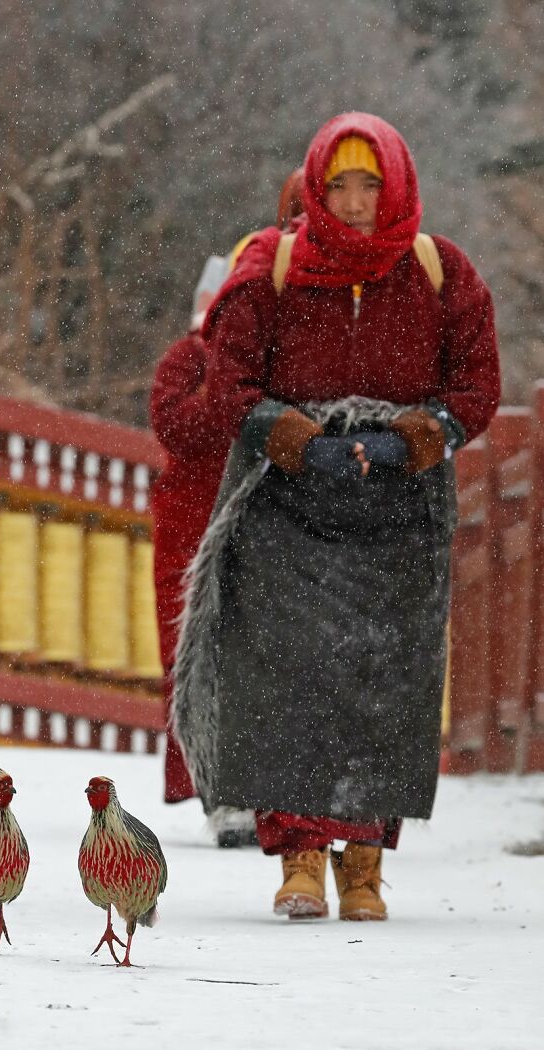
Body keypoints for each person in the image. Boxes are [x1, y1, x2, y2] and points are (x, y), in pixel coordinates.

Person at [173, 113, 500, 920]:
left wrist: (412, 440)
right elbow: (229, 378)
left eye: (369, 186)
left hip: (400, 506)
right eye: (339, 187)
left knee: (383, 680)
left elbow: (477, 386)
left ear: (397, 188)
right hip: (289, 502)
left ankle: (364, 863)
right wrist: (292, 438)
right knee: (288, 679)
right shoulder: (270, 270)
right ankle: (301, 860)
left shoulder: (441, 273)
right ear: (315, 191)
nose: (354, 204)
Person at [150, 170, 306, 845]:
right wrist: (230, 389)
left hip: (268, 520)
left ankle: (274, 794)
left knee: (267, 656)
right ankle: (219, 787)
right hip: (191, 534)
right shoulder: (186, 360)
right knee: (199, 656)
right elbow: (179, 427)